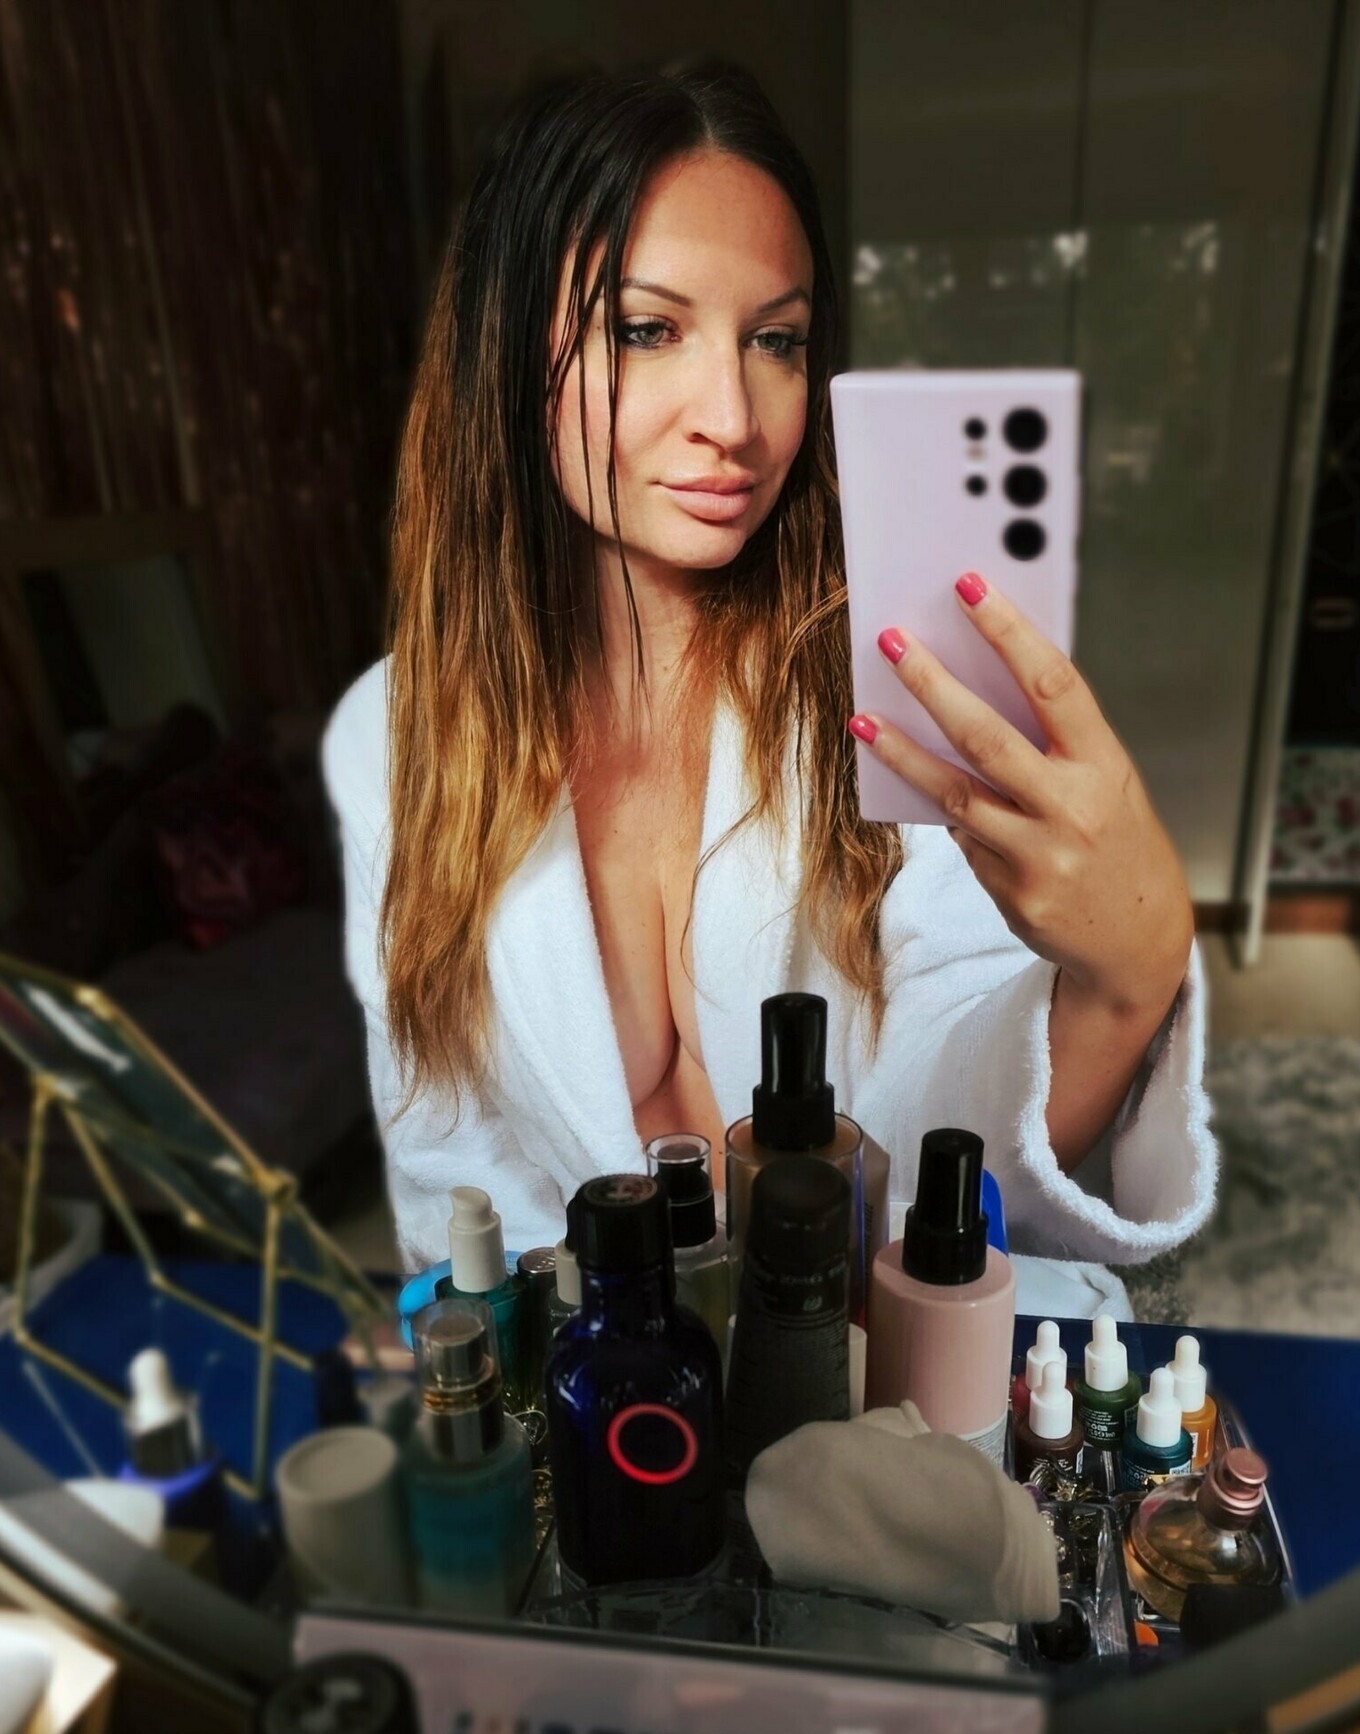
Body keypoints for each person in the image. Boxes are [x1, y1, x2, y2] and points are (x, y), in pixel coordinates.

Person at [325, 62, 1215, 1314]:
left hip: (887, 1342)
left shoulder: (889, 684)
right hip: (606, 1367)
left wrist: (1124, 981)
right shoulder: (392, 738)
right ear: (503, 351)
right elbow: (451, 1170)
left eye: (775, 341)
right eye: (647, 330)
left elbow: (956, 1140)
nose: (735, 418)